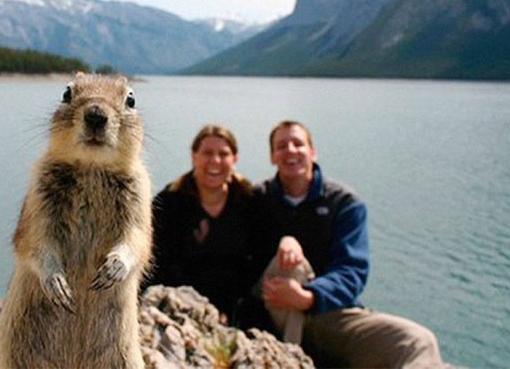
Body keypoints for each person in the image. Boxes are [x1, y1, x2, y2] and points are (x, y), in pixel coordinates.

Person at [247, 120, 444, 368]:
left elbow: (352, 271)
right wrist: (286, 244)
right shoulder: (256, 200)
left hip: (327, 315)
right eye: (281, 146)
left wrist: (309, 296)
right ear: (272, 157)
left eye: (298, 143)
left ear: (313, 151)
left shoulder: (344, 203)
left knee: (418, 341)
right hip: (271, 311)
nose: (291, 151)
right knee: (287, 266)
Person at [145, 125, 258, 324]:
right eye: (207, 153)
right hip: (181, 307)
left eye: (223, 154)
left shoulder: (248, 201)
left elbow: (257, 262)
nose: (215, 161)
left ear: (235, 159)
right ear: (193, 156)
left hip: (238, 307)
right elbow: (157, 265)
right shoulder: (169, 203)